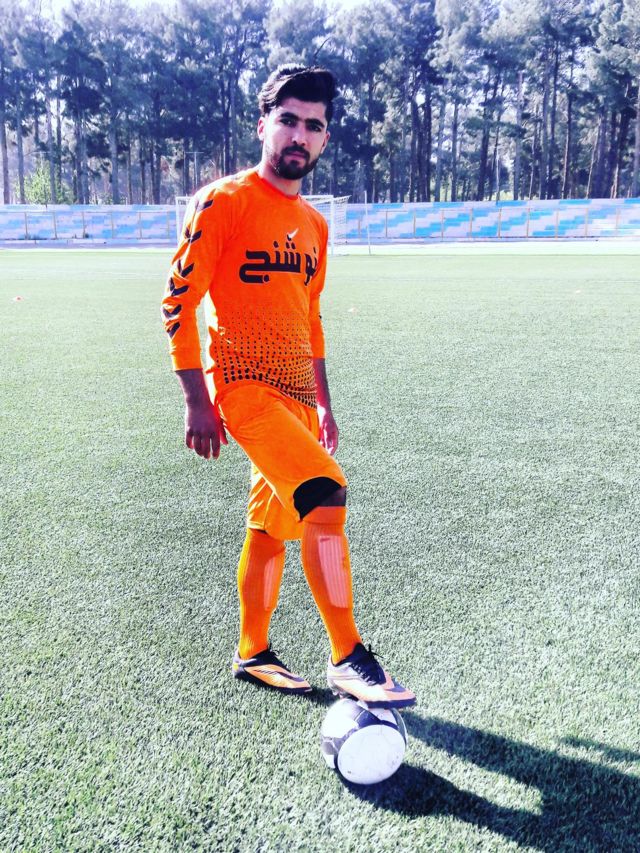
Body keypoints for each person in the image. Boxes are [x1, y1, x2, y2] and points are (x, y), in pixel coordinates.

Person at [161, 64, 415, 709]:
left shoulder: (316, 225)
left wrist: (323, 402)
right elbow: (178, 302)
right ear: (263, 126)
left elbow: (311, 315)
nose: (300, 135)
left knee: (272, 525)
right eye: (289, 121)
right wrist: (197, 400)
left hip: (299, 396)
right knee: (326, 492)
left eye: (314, 125)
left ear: (325, 138)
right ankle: (349, 656)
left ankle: (253, 652)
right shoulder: (224, 201)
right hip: (243, 387)